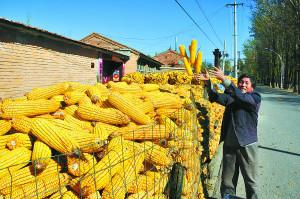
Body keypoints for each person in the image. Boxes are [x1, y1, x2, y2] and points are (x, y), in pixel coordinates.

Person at [194, 67, 261, 199]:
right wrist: (208, 83)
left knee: (250, 181)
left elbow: (243, 99)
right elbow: (215, 97)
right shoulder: (232, 97)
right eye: (241, 82)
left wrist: (224, 79)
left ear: (252, 87)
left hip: (246, 144)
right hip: (230, 144)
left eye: (246, 83)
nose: (243, 84)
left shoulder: (255, 98)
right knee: (227, 181)